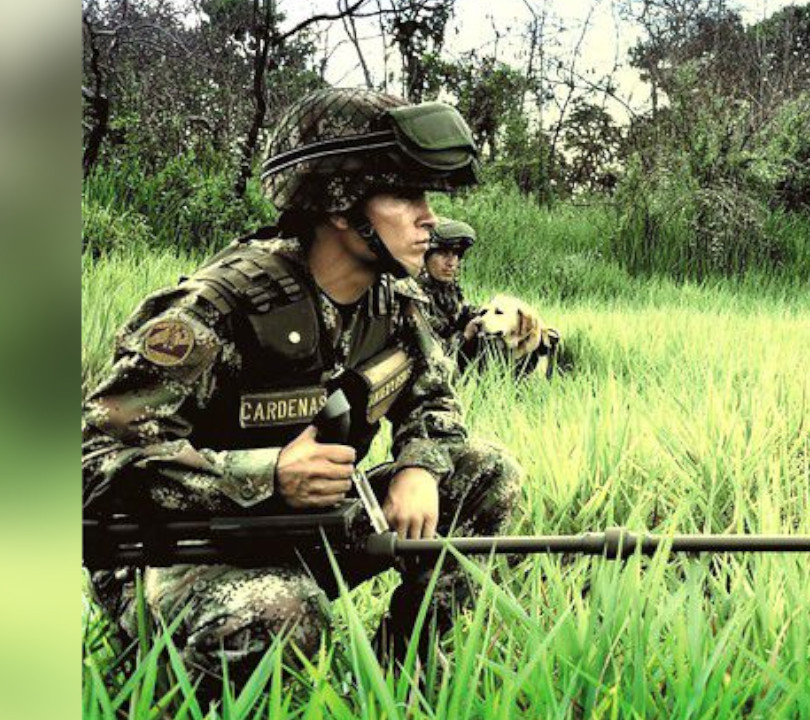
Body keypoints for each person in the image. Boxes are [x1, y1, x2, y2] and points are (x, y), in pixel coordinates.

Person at [81, 87, 523, 697]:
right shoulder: (216, 310)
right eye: (404, 195)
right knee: (282, 613)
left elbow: (436, 406)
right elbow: (93, 462)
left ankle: (408, 674)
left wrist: (418, 468)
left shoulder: (397, 302)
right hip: (176, 552)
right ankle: (168, 686)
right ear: (341, 207)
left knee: (486, 471)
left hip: (302, 529)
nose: (428, 218)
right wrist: (266, 473)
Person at [412, 217, 479, 346]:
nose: (451, 263)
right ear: (424, 257)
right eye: (443, 254)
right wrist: (465, 336)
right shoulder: (414, 293)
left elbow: (461, 312)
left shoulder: (445, 286)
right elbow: (430, 350)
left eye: (456, 254)